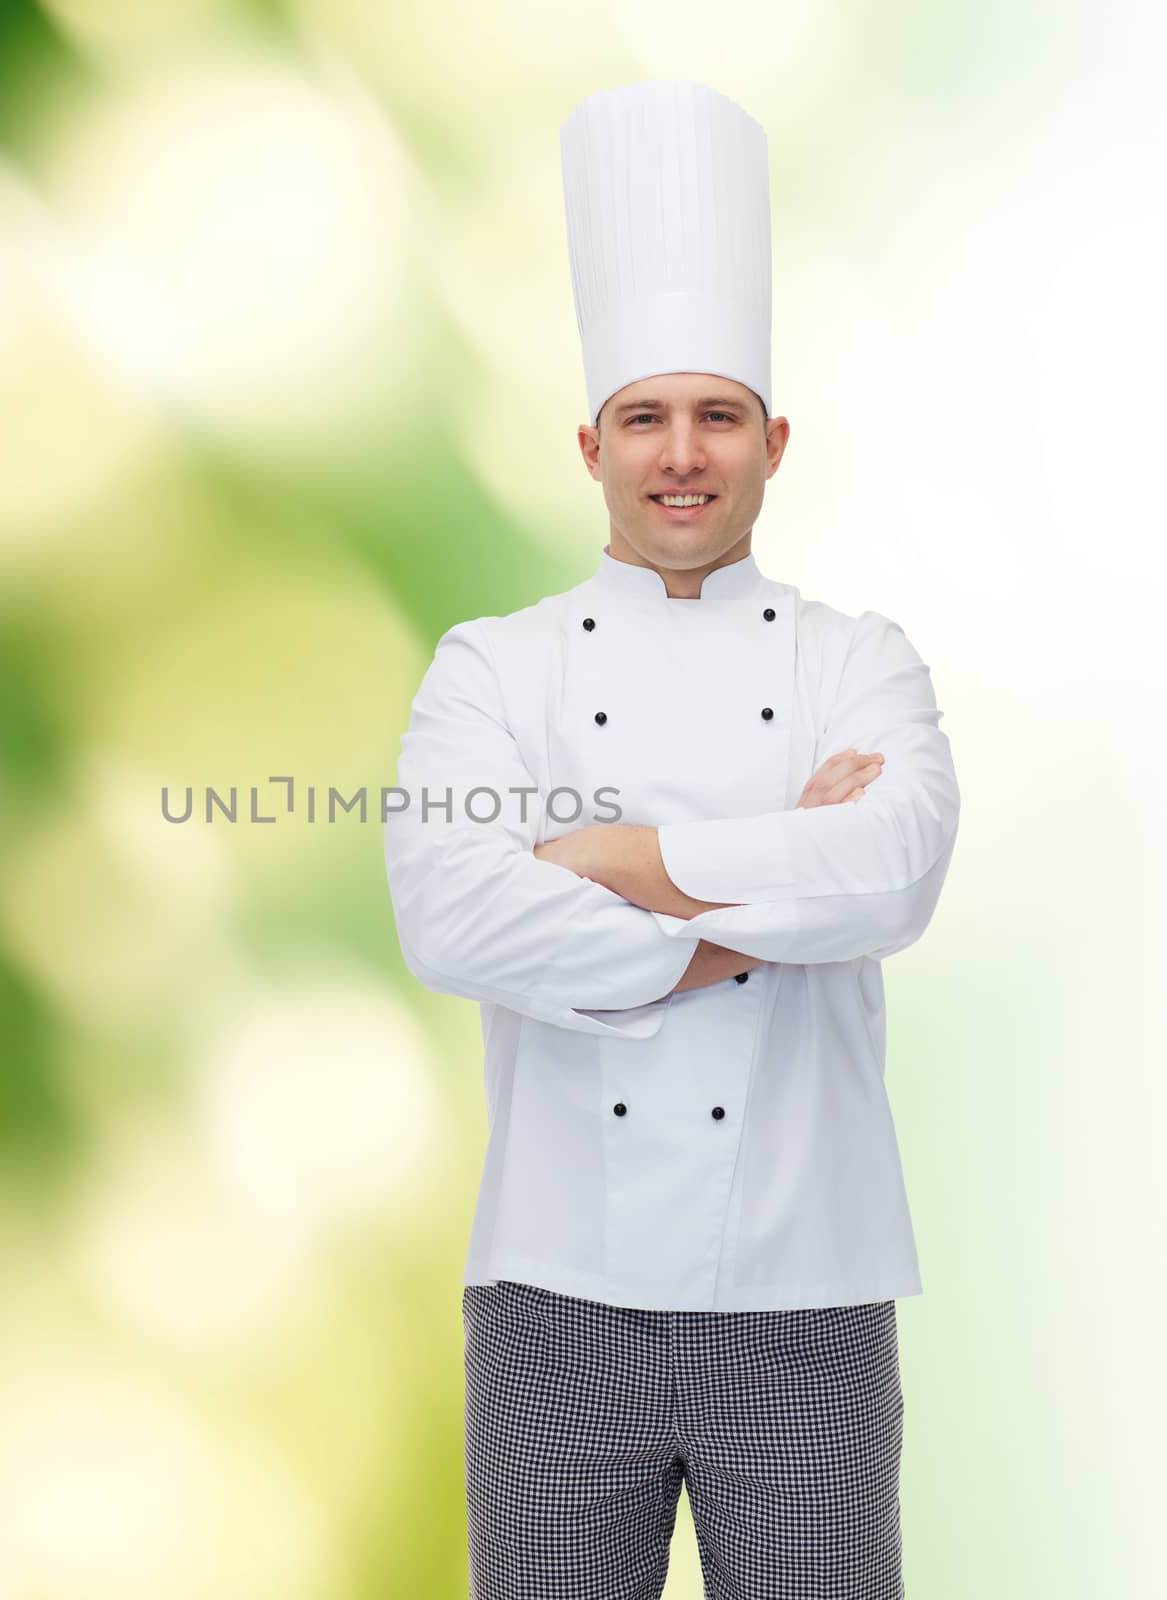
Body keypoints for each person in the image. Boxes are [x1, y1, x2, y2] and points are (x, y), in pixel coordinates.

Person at [382, 80, 959, 1599]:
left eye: (717, 416)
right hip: (557, 1299)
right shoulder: (493, 667)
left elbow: (891, 874)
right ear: (589, 444)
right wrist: (769, 889)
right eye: (646, 418)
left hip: (812, 1297)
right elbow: (451, 923)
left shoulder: (861, 657)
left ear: (776, 440)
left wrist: (603, 864)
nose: (682, 454)